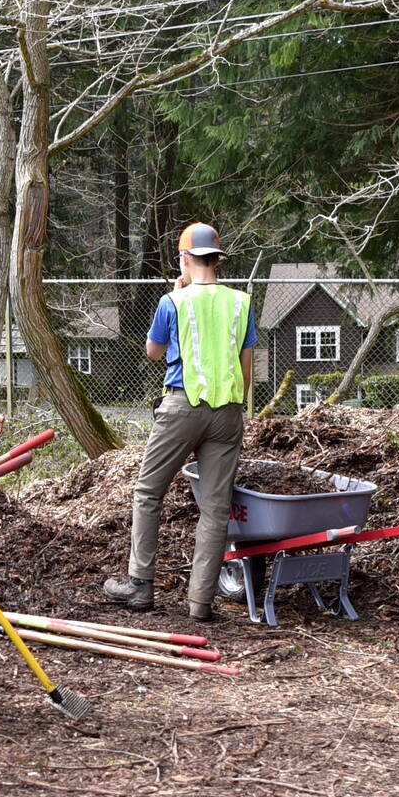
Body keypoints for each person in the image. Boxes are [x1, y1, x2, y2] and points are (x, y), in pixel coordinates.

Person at [102, 223, 256, 622]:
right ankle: (200, 602)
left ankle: (140, 585)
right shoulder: (241, 302)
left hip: (182, 406)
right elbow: (246, 365)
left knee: (148, 492)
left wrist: (177, 291)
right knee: (216, 508)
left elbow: (153, 352)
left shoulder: (174, 301)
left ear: (185, 259)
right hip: (228, 412)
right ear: (217, 260)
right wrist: (236, 407)